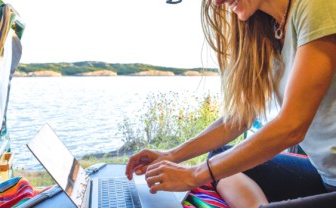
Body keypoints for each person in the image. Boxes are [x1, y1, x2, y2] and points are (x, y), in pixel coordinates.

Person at [126, 0, 336, 207]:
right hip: (326, 177)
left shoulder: (317, 6)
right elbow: (240, 118)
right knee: (219, 156)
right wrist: (172, 155)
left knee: (214, 167)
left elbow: (292, 127)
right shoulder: (270, 28)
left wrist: (195, 175)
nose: (218, 2)